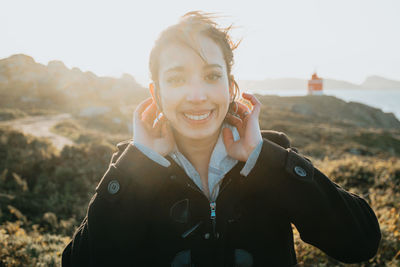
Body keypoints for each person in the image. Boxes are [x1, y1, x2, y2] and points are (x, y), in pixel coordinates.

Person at [62, 11, 381, 266]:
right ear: (156, 93)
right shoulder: (133, 169)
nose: (197, 95)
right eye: (176, 78)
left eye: (212, 75)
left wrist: (262, 158)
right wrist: (138, 167)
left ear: (231, 88)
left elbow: (360, 242)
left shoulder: (270, 159)